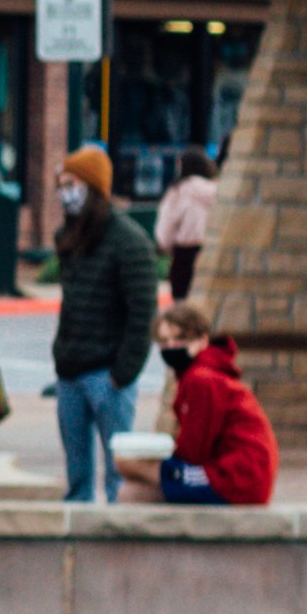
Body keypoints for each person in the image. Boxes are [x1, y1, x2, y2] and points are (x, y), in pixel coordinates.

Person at [48, 144, 165, 505]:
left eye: (73, 184)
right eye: (61, 184)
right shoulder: (69, 238)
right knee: (77, 477)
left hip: (107, 378)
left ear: (93, 188)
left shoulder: (129, 242)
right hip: (70, 372)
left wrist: (122, 373)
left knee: (118, 475)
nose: (65, 193)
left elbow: (143, 312)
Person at [143, 299, 276, 506]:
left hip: (236, 478)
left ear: (202, 340)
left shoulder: (202, 379)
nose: (171, 347)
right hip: (242, 475)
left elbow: (193, 451)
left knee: (132, 469)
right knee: (137, 485)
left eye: (180, 339)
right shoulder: (203, 373)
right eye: (164, 341)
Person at [154, 148, 216, 300]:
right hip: (212, 253)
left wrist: (165, 246)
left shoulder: (178, 192)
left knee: (181, 308)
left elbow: (165, 228)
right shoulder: (218, 191)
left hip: (184, 256)